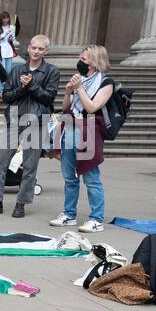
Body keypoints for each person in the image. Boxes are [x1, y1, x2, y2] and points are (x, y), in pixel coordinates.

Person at [0, 35, 57, 218]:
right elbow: (6, 96)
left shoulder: (51, 71)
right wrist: (22, 88)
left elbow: (49, 98)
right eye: (34, 48)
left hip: (37, 121)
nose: (36, 52)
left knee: (29, 166)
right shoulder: (16, 70)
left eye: (41, 49)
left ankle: (21, 203)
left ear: (46, 51)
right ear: (28, 48)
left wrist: (31, 85)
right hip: (14, 119)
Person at [48, 44, 113, 233]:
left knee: (91, 177)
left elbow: (92, 107)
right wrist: (69, 91)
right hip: (69, 128)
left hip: (89, 131)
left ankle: (96, 219)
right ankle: (69, 214)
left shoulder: (105, 83)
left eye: (84, 59)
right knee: (69, 176)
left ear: (94, 61)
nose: (80, 62)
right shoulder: (80, 79)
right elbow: (66, 107)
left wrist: (80, 88)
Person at [0, 11, 21, 80]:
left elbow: (12, 39)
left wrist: (12, 37)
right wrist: (5, 34)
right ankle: (1, 87)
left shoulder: (11, 27)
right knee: (3, 70)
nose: (5, 20)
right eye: (4, 18)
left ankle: (6, 87)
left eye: (7, 18)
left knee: (8, 70)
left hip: (9, 50)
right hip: (1, 50)